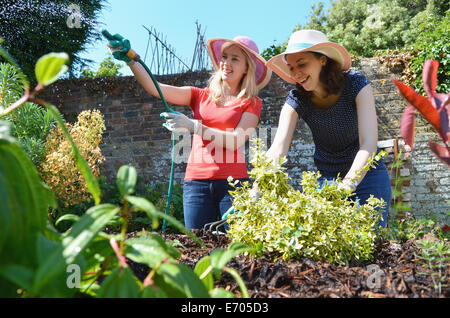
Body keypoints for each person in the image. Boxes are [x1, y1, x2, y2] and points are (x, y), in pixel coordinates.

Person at [106, 34, 272, 229]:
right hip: (196, 185)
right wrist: (131, 61)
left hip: (233, 186)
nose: (226, 63)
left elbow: (236, 140)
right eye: (224, 57)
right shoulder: (199, 96)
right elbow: (154, 87)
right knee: (198, 248)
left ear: (247, 68)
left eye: (235, 59)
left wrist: (194, 126)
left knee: (235, 250)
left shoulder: (251, 103)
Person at [264, 29, 391, 228]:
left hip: (369, 176)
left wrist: (350, 182)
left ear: (323, 60)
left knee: (371, 248)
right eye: (291, 67)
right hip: (329, 180)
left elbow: (368, 143)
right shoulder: (296, 99)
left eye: (302, 64)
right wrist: (257, 187)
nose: (296, 73)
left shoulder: (356, 85)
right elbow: (278, 148)